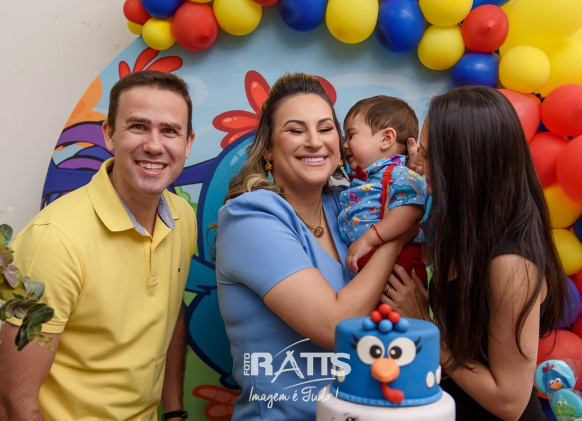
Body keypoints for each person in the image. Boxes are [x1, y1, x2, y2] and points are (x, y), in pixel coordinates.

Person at [215, 73, 417, 420]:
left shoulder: (347, 207)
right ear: (268, 149)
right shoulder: (249, 217)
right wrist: (393, 237)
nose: (314, 142)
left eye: (325, 129)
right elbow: (335, 327)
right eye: (296, 130)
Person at [0, 71, 196, 421]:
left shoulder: (182, 217)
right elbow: (14, 399)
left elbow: (170, 312)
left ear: (188, 142)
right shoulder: (54, 240)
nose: (154, 145)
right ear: (109, 134)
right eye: (138, 126)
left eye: (169, 130)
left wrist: (174, 411)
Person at [383, 85, 573, 420]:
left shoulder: (511, 263)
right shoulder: (463, 232)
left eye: (428, 154)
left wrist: (426, 326)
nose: (419, 164)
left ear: (463, 164)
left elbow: (510, 401)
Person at [339, 96, 427, 279]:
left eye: (351, 135)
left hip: (400, 266)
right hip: (370, 264)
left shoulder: (399, 173)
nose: (344, 145)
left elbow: (410, 212)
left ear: (386, 139)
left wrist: (368, 239)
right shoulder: (364, 179)